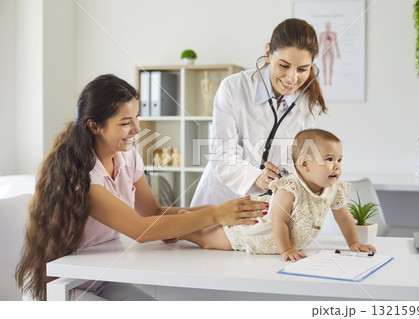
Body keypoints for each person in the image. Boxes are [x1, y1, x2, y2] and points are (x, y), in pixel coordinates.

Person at [15, 74, 267, 301]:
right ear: (94, 126)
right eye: (125, 122)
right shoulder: (82, 176)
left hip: (100, 276)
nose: (137, 129)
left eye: (136, 118)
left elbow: (151, 212)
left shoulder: (128, 157)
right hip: (58, 283)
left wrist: (213, 211)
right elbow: (141, 230)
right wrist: (213, 215)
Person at [191, 18, 327, 207]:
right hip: (222, 200)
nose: (292, 77)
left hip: (272, 207)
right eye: (284, 66)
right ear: (268, 53)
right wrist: (256, 178)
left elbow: (298, 159)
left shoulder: (308, 104)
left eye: (302, 69)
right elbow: (223, 155)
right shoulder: (234, 87)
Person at [182, 129, 376, 261]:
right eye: (329, 159)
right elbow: (279, 221)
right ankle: (182, 229)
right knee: (209, 241)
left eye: (339, 160)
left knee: (216, 227)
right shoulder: (289, 188)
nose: (337, 166)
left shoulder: (333, 190)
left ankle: (187, 217)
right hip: (258, 231)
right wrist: (286, 249)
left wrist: (354, 242)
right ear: (305, 164)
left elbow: (344, 217)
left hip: (283, 240)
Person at [318, 21, 340, 85]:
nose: (328, 27)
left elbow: (336, 43)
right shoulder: (322, 34)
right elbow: (320, 43)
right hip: (324, 51)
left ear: (330, 26)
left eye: (328, 26)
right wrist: (317, 52)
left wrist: (338, 52)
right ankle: (325, 81)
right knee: (324, 66)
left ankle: (330, 81)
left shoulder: (333, 34)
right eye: (327, 26)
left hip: (331, 51)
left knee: (331, 67)